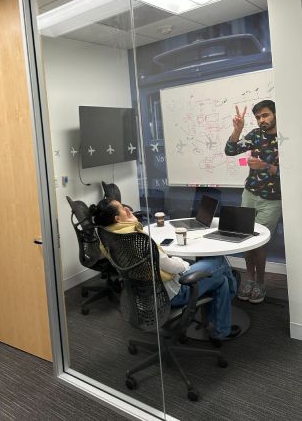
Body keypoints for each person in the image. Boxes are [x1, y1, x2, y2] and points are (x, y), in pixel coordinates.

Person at [91, 198, 240, 340]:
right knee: (218, 261)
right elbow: (171, 266)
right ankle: (229, 303)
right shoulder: (136, 238)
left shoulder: (108, 236)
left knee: (221, 280)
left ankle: (220, 328)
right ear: (117, 219)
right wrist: (185, 264)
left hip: (142, 295)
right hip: (171, 293)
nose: (127, 209)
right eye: (123, 209)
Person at [224, 100, 281, 304]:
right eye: (258, 117)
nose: (261, 120)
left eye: (265, 115)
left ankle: (261, 282)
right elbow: (230, 150)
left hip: (273, 200)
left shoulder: (287, 137)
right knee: (247, 237)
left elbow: (293, 170)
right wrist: (237, 131)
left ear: (275, 113)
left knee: (259, 242)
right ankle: (249, 279)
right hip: (249, 193)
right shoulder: (256, 135)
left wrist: (266, 166)